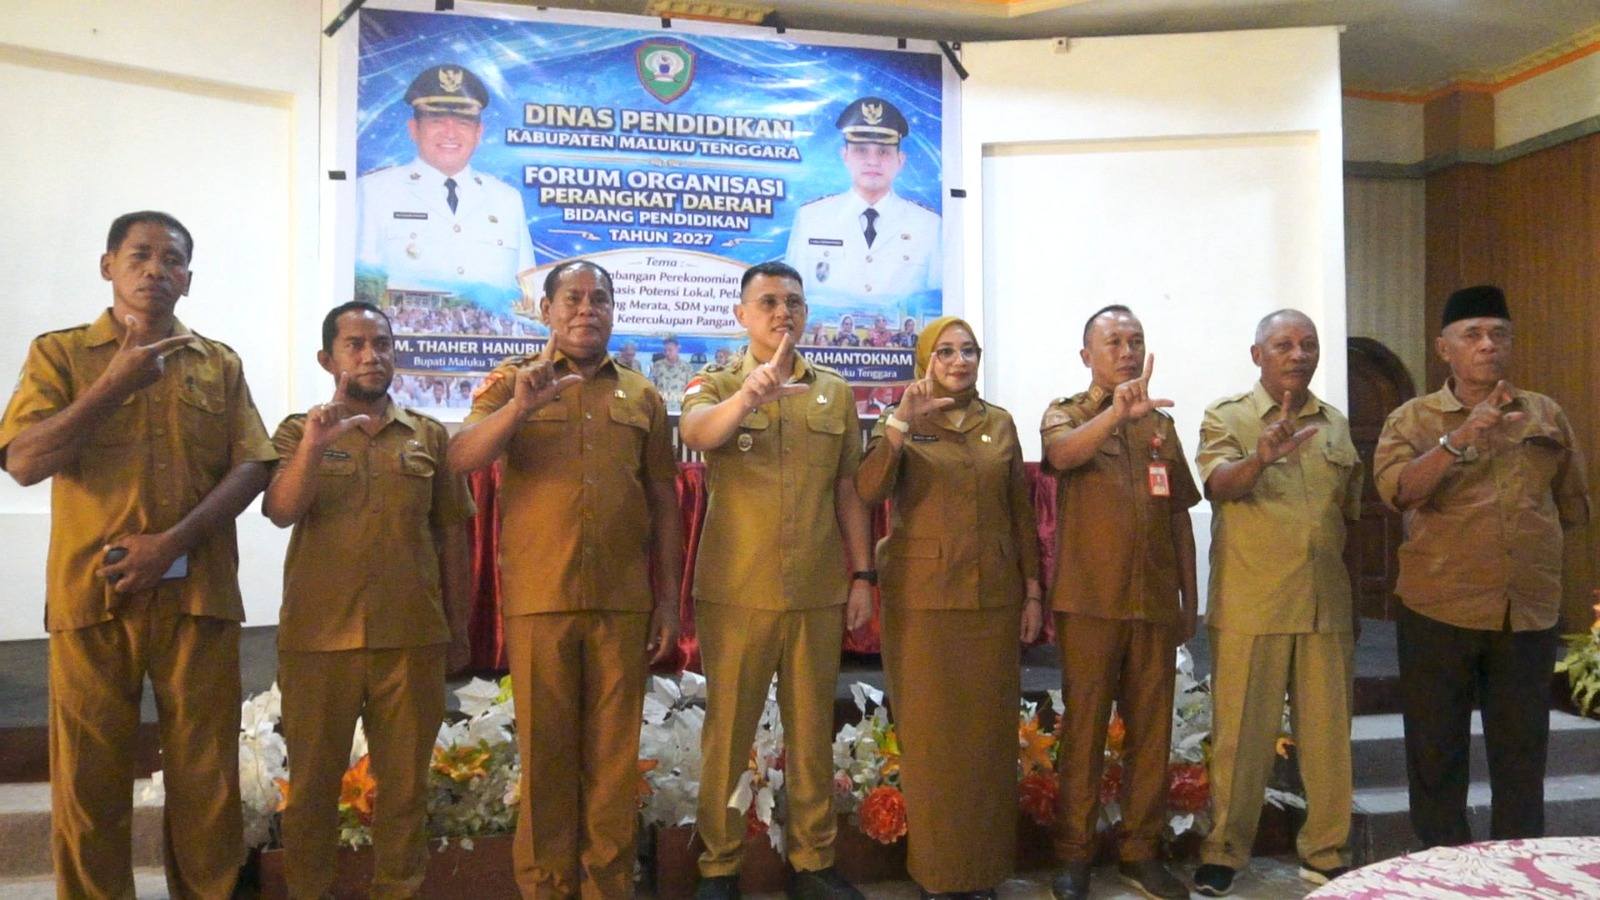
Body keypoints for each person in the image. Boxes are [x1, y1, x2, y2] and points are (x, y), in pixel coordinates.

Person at [0, 211, 276, 897]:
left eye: (172, 259)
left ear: (188, 277)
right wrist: (112, 386)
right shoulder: (60, 354)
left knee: (207, 778)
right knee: (89, 779)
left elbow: (252, 466)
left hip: (198, 595)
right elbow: (25, 462)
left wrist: (171, 544)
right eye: (140, 256)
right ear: (108, 267)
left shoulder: (218, 363)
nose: (156, 269)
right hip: (94, 597)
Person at [449, 259, 683, 897]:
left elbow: (664, 503)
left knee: (613, 763)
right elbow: (460, 457)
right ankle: (546, 888)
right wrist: (518, 409)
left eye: (599, 299)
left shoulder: (642, 395)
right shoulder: (512, 381)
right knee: (546, 758)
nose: (586, 310)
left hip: (622, 602)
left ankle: (607, 887)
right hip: (541, 598)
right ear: (546, 310)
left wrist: (668, 602)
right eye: (572, 299)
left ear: (613, 310)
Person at [262, 301, 474, 898]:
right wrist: (315, 443)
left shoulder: (427, 435)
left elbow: (453, 535)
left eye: (381, 343)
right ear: (327, 359)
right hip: (318, 641)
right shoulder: (296, 431)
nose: (370, 356)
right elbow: (280, 510)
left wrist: (459, 627)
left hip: (411, 639)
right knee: (311, 788)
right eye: (354, 345)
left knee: (405, 790)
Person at [678, 261, 874, 900]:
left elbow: (848, 489)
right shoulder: (715, 381)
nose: (782, 312)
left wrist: (863, 574)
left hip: (817, 587)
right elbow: (695, 432)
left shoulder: (833, 392)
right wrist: (748, 398)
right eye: (767, 302)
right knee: (728, 733)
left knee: (812, 731)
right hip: (738, 589)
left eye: (793, 301)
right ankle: (719, 866)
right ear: (742, 315)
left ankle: (812, 863)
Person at [1373, 285, 1589, 849]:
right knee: (1436, 754)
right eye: (1473, 334)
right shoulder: (1412, 419)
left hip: (1525, 612)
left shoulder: (1545, 414)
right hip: (1438, 608)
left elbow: (1570, 506)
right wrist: (1461, 437)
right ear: (1444, 348)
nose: (1488, 344)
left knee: (1522, 758)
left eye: (1499, 334)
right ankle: (1445, 867)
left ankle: (1514, 866)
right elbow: (1399, 492)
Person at [855, 317, 1043, 899]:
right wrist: (898, 424)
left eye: (968, 351)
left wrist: (1033, 591)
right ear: (925, 360)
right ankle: (937, 875)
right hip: (924, 603)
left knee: (988, 742)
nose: (959, 361)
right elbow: (868, 490)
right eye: (945, 352)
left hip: (993, 601)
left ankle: (983, 872)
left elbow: (1021, 513)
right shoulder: (902, 420)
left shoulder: (999, 423)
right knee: (934, 742)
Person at [1190, 310, 1362, 896]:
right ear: (1257, 355)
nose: (1298, 354)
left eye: (1308, 344)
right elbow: (1219, 485)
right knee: (1241, 738)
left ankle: (1326, 851)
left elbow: (1349, 516)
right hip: (1253, 601)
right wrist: (1260, 457)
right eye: (1284, 344)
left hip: (1324, 604)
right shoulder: (1228, 415)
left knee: (1329, 738)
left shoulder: (1334, 424)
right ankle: (1224, 851)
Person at [1039, 305, 1199, 900]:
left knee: (1151, 735)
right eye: (1114, 342)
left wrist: (1190, 597)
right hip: (1090, 603)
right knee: (1084, 732)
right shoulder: (1067, 413)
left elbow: (1178, 514)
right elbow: (1062, 456)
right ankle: (1074, 855)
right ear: (1088, 356)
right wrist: (1115, 414)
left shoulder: (1160, 426)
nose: (1128, 351)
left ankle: (1141, 852)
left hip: (1153, 603)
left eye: (1136, 341)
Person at [356, 64, 537, 306]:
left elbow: (528, 295)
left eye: (463, 123)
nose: (450, 133)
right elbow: (360, 288)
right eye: (437, 121)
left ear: (478, 133)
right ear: (414, 129)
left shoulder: (506, 200)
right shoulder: (373, 192)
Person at [784, 97, 941, 304]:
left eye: (883, 152)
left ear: (900, 160)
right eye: (861, 150)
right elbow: (790, 295)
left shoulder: (928, 225)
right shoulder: (811, 218)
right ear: (845, 156)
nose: (873, 161)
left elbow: (937, 300)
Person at [650, 333, 694, 409]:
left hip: (681, 407)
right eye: (665, 350)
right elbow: (651, 387)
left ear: (677, 349)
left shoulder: (687, 367)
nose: (667, 353)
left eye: (670, 350)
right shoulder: (657, 366)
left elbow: (691, 389)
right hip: (661, 408)